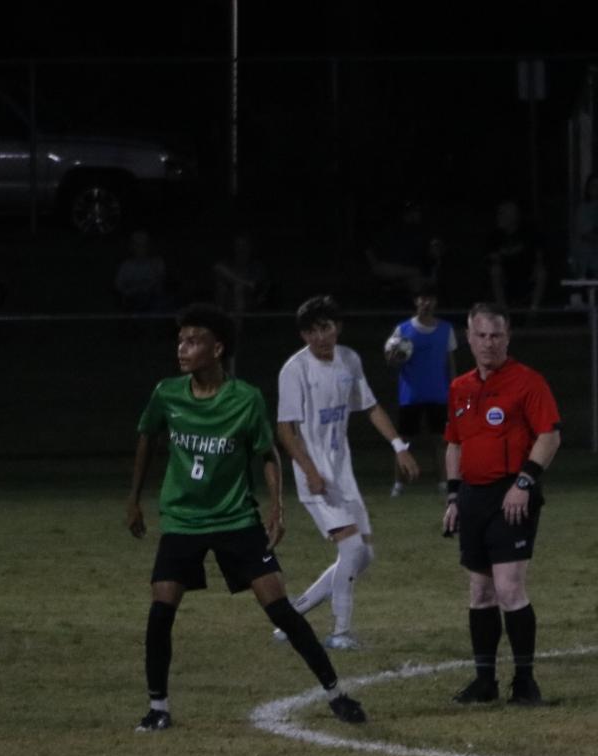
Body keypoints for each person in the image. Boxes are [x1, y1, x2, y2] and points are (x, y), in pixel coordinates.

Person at [126, 303, 368, 731]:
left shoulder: (246, 398)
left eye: (193, 340)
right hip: (183, 520)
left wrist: (277, 506)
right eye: (180, 340)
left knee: (280, 609)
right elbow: (147, 436)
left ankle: (336, 694)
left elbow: (266, 453)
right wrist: (134, 499)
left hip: (236, 519)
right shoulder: (167, 393)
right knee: (161, 609)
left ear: (217, 349)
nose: (182, 348)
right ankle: (158, 707)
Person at [273, 295, 419, 650]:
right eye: (310, 331)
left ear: (336, 327)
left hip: (343, 473)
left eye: (325, 327)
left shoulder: (349, 360)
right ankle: (339, 633)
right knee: (352, 548)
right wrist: (309, 470)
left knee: (363, 555)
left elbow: (369, 407)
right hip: (315, 474)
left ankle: (292, 616)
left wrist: (399, 446)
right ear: (303, 336)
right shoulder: (295, 370)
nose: (320, 337)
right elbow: (285, 429)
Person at [442, 304, 562, 706]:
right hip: (473, 497)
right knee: (479, 592)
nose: (488, 343)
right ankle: (484, 681)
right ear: (469, 338)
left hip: (512, 495)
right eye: (481, 335)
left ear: (507, 338)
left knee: (510, 588)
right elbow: (455, 442)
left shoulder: (527, 382)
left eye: (496, 336)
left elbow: (549, 436)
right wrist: (454, 497)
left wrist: (524, 483)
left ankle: (525, 682)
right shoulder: (460, 386)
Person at [385, 288, 459, 491]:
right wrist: (392, 359)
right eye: (422, 298)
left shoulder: (446, 329)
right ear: (416, 301)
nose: (426, 303)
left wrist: (454, 389)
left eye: (430, 299)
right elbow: (392, 361)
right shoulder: (402, 330)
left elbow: (450, 363)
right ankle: (398, 485)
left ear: (435, 302)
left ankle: (444, 483)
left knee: (440, 441)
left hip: (439, 394)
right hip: (410, 395)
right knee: (404, 442)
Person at [483, 199, 550, 311]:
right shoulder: (494, 236)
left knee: (541, 273)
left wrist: (538, 265)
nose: (499, 217)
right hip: (506, 275)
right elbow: (492, 258)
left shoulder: (528, 232)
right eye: (499, 213)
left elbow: (539, 254)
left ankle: (534, 311)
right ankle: (503, 310)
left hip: (526, 272)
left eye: (502, 213)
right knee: (495, 271)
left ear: (513, 216)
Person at [212, 232, 269, 315]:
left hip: (250, 303)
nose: (241, 249)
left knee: (238, 289)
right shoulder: (229, 264)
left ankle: (238, 325)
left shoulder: (256, 267)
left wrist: (242, 286)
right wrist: (245, 283)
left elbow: (256, 288)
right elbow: (217, 268)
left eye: (244, 246)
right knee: (221, 286)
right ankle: (220, 318)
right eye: (238, 246)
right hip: (228, 304)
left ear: (250, 248)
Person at [114, 228, 168, 313]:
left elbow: (159, 283)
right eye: (137, 245)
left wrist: (146, 289)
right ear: (132, 247)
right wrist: (133, 291)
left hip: (153, 301)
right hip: (132, 301)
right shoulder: (126, 266)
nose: (140, 249)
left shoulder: (157, 263)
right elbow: (119, 286)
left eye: (143, 245)